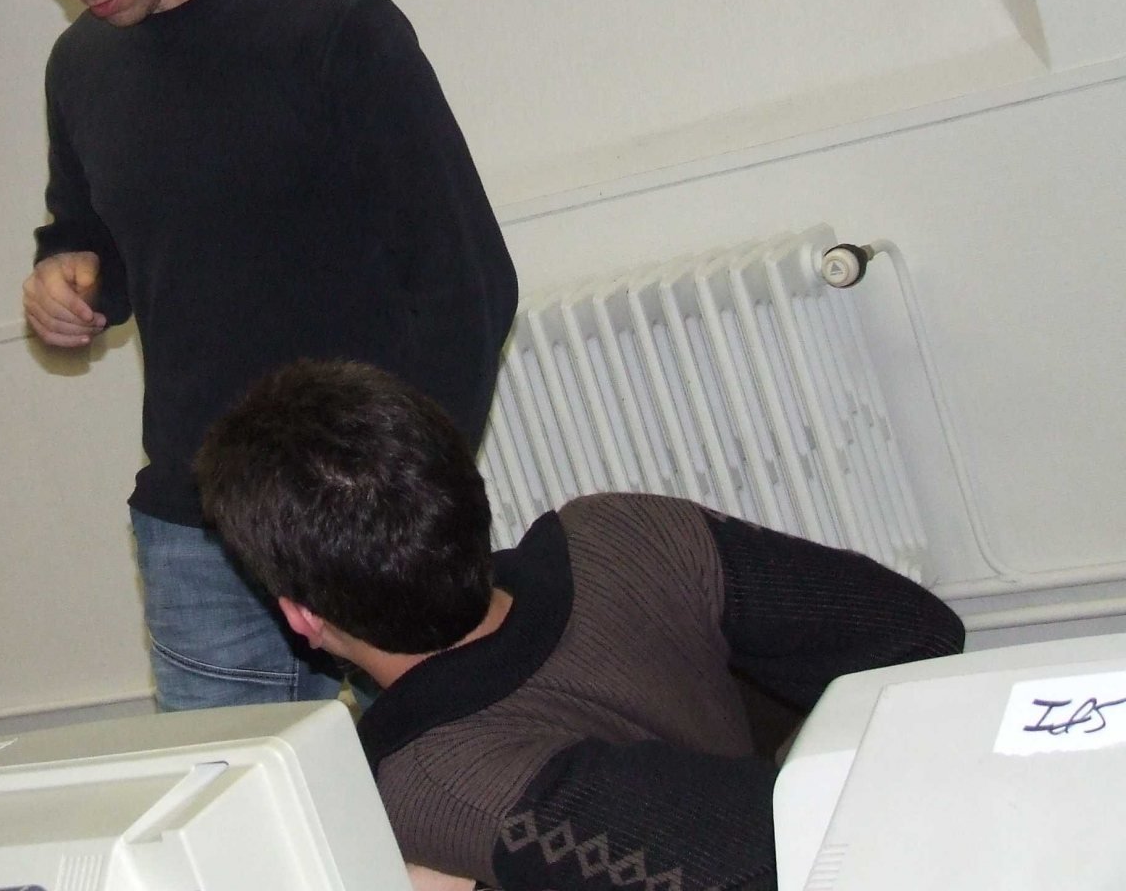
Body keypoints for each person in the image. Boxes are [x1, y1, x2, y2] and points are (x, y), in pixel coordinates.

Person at [0, 0, 518, 711]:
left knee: (431, 779)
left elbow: (469, 282)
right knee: (238, 802)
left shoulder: (334, 27)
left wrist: (404, 500)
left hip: (359, 518)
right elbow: (89, 234)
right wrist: (64, 278)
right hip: (193, 531)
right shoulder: (78, 69)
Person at [196, 359, 966, 890]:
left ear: (301, 615)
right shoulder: (621, 532)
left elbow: (780, 861)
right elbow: (920, 639)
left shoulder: (425, 787)